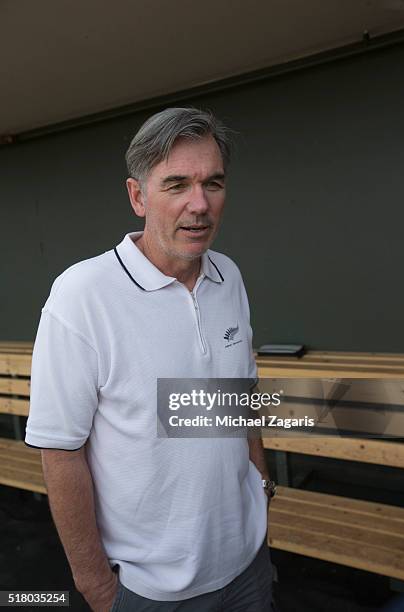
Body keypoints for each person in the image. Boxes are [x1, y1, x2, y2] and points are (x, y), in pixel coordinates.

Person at [25, 107, 277, 611]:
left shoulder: (229, 275)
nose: (199, 205)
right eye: (177, 184)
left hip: (248, 563)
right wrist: (97, 588)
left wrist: (261, 482)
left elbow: (240, 396)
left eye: (213, 183)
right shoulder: (83, 295)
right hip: (151, 591)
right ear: (138, 196)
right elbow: (61, 452)